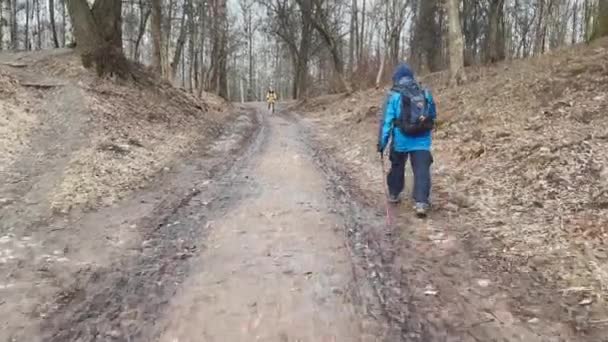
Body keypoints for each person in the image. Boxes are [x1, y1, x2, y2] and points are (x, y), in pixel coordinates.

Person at [377, 63, 437, 218]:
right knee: (422, 169)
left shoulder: (393, 95)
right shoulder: (424, 92)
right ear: (411, 77)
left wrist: (382, 144)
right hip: (422, 139)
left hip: (401, 139)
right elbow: (432, 113)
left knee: (397, 165)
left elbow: (387, 122)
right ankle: (421, 202)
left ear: (396, 78)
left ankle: (394, 194)